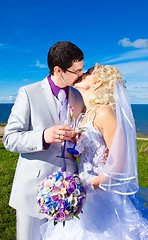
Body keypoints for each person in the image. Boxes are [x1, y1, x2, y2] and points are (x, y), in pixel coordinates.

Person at [40, 64, 148, 239]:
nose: (82, 74)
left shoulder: (104, 113)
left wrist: (86, 186)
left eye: (88, 73)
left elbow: (120, 164)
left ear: (99, 83)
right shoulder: (85, 115)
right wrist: (74, 142)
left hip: (103, 194)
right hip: (83, 189)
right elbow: (85, 153)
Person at [3, 41, 85, 240]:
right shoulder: (28, 93)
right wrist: (43, 136)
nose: (81, 76)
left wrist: (79, 139)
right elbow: (10, 138)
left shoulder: (78, 95)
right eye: (76, 71)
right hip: (33, 191)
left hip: (71, 192)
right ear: (58, 70)